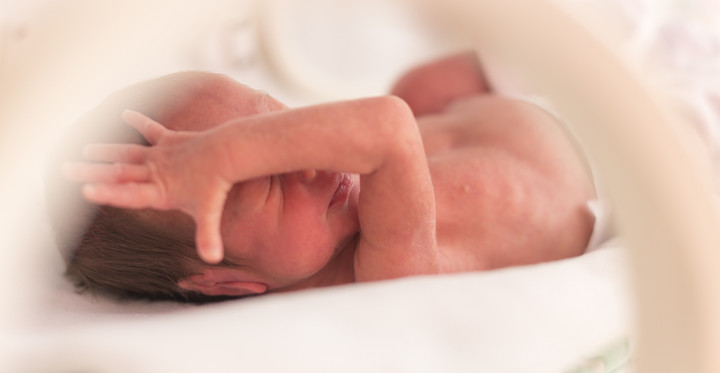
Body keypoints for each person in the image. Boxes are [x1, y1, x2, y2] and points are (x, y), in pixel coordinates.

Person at [54, 52, 596, 302]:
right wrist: (223, 152)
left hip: (481, 112)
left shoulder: (337, 198)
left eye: (276, 121)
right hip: (594, 164)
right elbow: (389, 128)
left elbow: (394, 117)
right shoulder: (382, 282)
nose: (310, 159)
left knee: (422, 85)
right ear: (224, 280)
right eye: (266, 179)